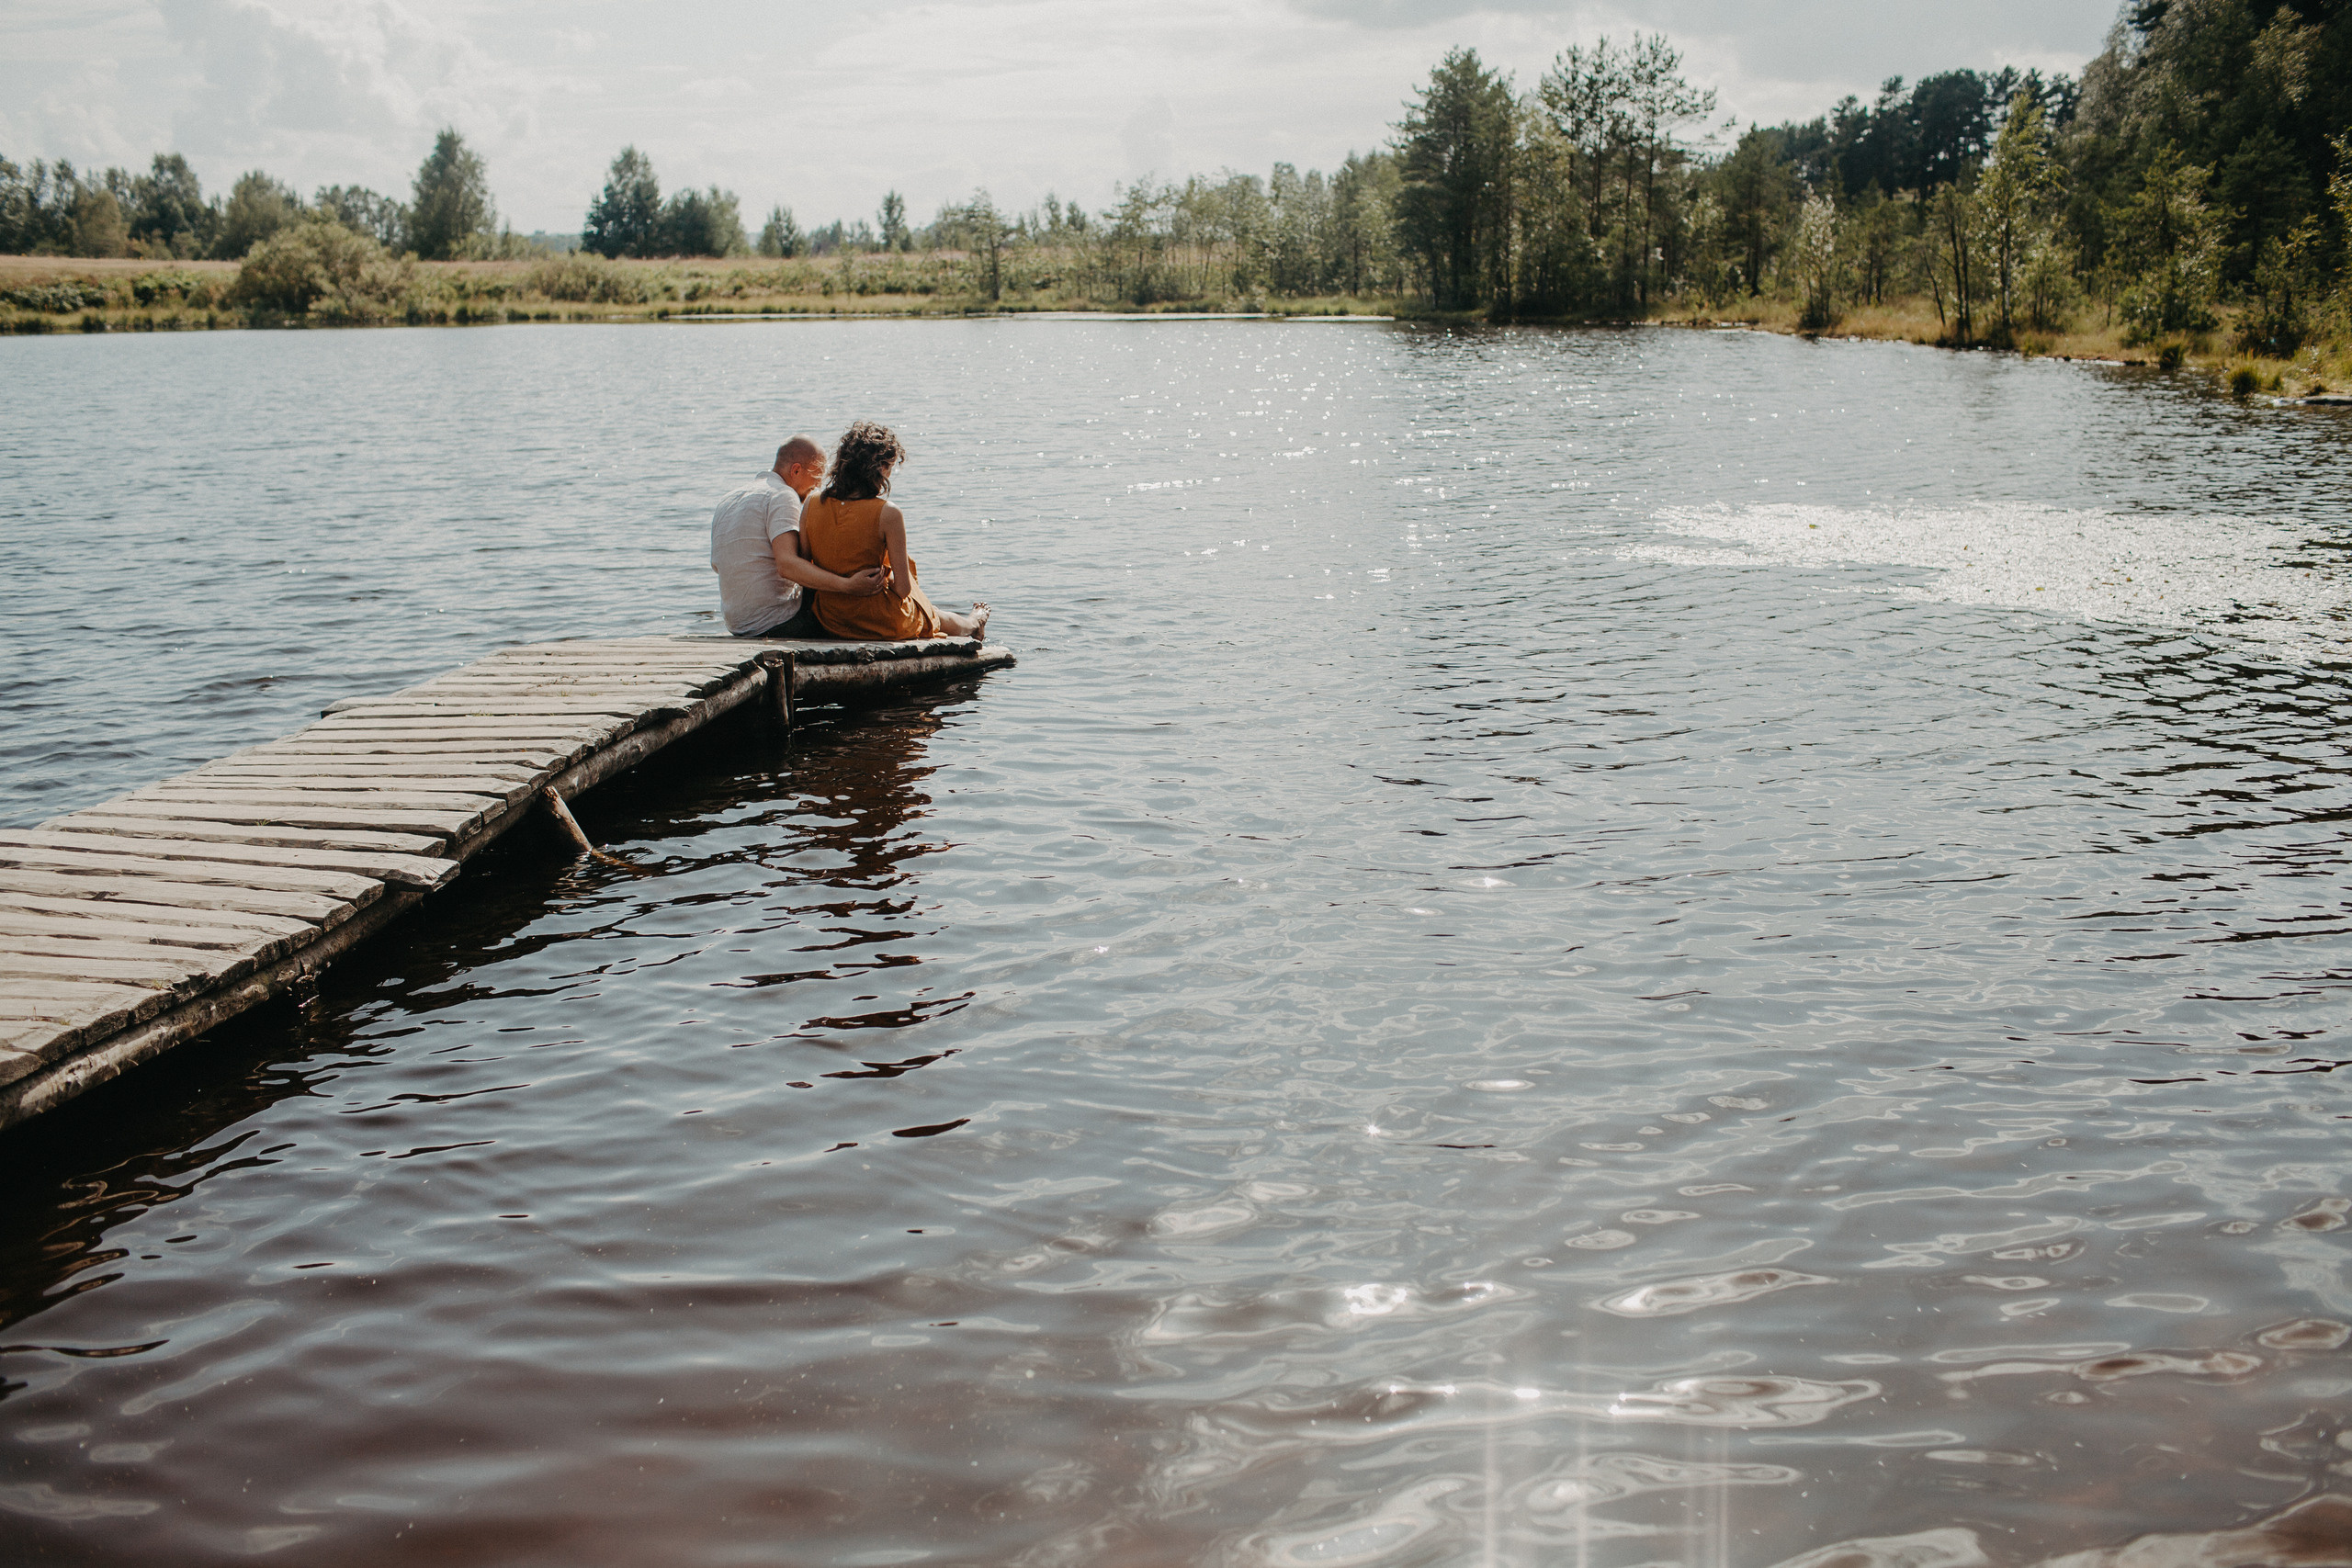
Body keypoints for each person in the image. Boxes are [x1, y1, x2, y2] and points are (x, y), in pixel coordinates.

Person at [798, 421, 989, 641]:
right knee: (924, 610)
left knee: (925, 609)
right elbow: (903, 589)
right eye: (890, 467)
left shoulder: (811, 502)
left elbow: (805, 567)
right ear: (879, 468)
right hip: (878, 622)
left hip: (831, 618)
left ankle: (970, 623)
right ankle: (973, 624)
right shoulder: (888, 513)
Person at [708, 434, 886, 638]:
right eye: (815, 481)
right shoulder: (782, 495)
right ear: (796, 470)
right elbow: (787, 565)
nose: (817, 489)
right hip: (778, 623)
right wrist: (847, 586)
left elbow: (717, 565)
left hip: (737, 624)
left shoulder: (728, 499)